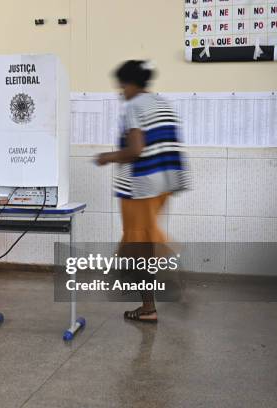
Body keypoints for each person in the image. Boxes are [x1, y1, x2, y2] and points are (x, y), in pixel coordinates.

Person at [95, 60, 188, 323]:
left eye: (121, 86)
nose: (120, 92)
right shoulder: (162, 103)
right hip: (163, 186)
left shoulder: (133, 106)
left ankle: (151, 303)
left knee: (140, 247)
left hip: (139, 188)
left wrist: (107, 156)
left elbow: (136, 150)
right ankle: (159, 285)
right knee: (145, 240)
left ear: (130, 84)